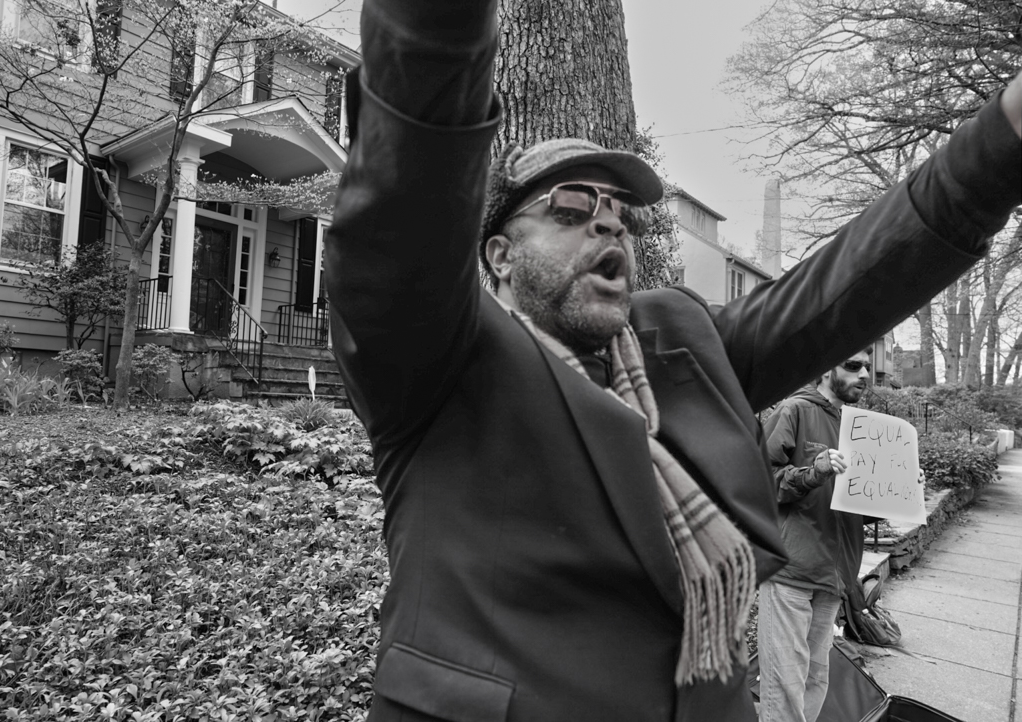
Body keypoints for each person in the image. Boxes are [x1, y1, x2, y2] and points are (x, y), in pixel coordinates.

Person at [323, 1, 1022, 719]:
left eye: (619, 214)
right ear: (498, 256)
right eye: (569, 209)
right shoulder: (437, 356)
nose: (606, 221)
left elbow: (851, 281)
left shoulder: (680, 344)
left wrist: (1006, 135)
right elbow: (416, 164)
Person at [756, 348, 873, 722]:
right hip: (791, 569)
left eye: (867, 367)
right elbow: (757, 482)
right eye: (853, 366)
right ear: (825, 370)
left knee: (813, 678)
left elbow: (859, 505)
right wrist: (814, 471)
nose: (865, 374)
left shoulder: (861, 427)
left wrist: (901, 492)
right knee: (784, 685)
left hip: (835, 573)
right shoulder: (793, 411)